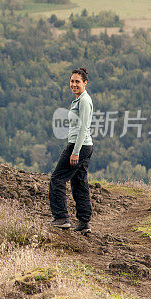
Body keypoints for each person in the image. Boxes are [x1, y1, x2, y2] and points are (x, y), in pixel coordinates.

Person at [49, 67, 94, 233]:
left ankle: (61, 218)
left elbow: (83, 128)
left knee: (57, 179)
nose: (74, 84)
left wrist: (75, 151)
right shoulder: (79, 100)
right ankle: (84, 222)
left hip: (78, 146)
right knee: (79, 182)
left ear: (85, 83)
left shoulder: (84, 101)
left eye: (77, 81)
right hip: (83, 146)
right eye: (72, 81)